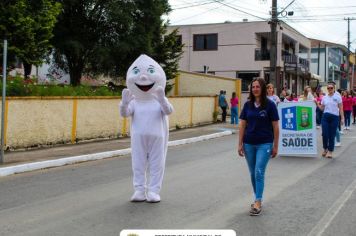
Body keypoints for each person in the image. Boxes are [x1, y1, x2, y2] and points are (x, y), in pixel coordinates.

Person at [120, 54, 174, 203]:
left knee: (157, 164)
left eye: (150, 71)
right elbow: (125, 114)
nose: (143, 78)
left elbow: (169, 111)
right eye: (136, 72)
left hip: (158, 137)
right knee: (138, 163)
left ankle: (154, 191)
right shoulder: (135, 101)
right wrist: (124, 104)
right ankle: (139, 190)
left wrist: (162, 100)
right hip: (138, 137)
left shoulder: (158, 98)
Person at [238, 78, 279, 216]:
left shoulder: (270, 105)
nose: (255, 89)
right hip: (249, 143)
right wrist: (240, 143)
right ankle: (258, 198)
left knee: (259, 172)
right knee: (252, 173)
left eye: (257, 86)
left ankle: (257, 201)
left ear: (262, 88)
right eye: (253, 86)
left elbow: (275, 126)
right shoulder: (247, 105)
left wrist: (275, 146)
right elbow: (243, 125)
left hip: (265, 143)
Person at [315, 82, 344, 158]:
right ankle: (325, 149)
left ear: (334, 88)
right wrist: (317, 104)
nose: (330, 89)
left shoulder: (338, 97)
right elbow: (322, 108)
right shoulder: (324, 97)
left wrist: (342, 118)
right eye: (328, 88)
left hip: (335, 117)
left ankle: (330, 151)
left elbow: (341, 108)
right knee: (325, 134)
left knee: (332, 135)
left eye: (331, 88)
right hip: (325, 116)